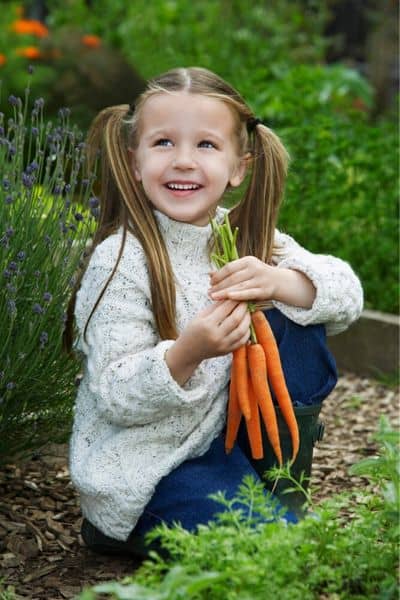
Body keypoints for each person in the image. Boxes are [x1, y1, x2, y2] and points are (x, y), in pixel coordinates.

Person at [63, 66, 363, 558]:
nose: (183, 161)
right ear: (134, 161)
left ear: (238, 167)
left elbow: (347, 294)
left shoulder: (245, 238)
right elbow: (115, 394)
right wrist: (187, 353)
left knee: (298, 311)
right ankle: (118, 525)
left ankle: (281, 484)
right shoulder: (122, 259)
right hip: (152, 466)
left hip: (232, 447)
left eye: (205, 145)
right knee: (276, 551)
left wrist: (282, 282)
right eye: (163, 143)